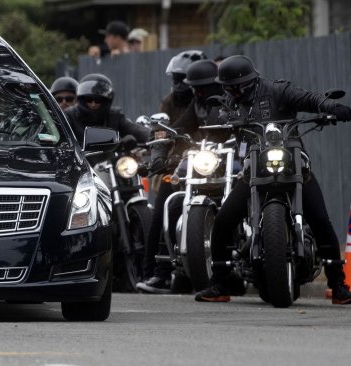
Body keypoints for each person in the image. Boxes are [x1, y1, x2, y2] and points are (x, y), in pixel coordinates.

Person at [194, 55, 351, 304]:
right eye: (228, 89)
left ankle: (338, 284)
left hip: (293, 164)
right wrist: (219, 124)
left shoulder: (277, 90)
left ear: (249, 82)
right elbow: (218, 121)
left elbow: (309, 99)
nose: (233, 93)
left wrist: (331, 108)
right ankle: (220, 283)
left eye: (236, 88)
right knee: (223, 220)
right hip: (254, 168)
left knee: (320, 219)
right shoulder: (228, 103)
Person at [137, 51, 207, 294]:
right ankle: (157, 273)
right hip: (177, 163)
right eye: (175, 78)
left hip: (211, 163)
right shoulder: (169, 101)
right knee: (162, 211)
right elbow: (163, 132)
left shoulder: (213, 98)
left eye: (184, 78)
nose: (179, 84)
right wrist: (159, 155)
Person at [64, 73, 149, 145]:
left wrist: (155, 135)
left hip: (111, 162)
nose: (93, 104)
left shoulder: (114, 116)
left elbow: (134, 129)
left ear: (106, 101)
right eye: (88, 99)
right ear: (81, 99)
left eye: (98, 100)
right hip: (79, 161)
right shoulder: (70, 116)